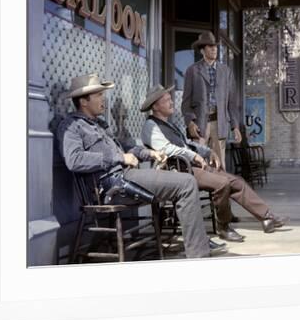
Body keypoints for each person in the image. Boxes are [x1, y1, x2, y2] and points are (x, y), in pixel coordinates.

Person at [56, 73, 227, 259]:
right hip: (111, 187)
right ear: (83, 101)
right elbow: (74, 160)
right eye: (98, 95)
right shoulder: (71, 127)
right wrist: (119, 157)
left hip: (125, 177)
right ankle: (199, 255)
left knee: (186, 181)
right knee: (186, 183)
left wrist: (151, 153)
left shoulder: (100, 125)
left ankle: (198, 245)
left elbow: (128, 147)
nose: (103, 99)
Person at [141, 84, 289, 242]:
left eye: (171, 99)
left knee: (236, 182)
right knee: (222, 184)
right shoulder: (150, 127)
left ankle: (267, 217)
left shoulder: (169, 124)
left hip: (190, 167)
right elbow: (168, 150)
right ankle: (223, 227)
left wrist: (208, 152)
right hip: (176, 172)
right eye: (167, 100)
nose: (171, 102)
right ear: (156, 106)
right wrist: (194, 156)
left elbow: (187, 145)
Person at [181, 31, 242, 171]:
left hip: (220, 122)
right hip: (200, 124)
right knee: (199, 161)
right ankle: (199, 191)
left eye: (215, 46)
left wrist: (235, 127)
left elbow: (232, 103)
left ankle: (221, 191)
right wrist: (190, 122)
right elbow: (186, 102)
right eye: (210, 46)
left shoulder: (226, 71)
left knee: (220, 164)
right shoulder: (193, 71)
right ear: (202, 50)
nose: (214, 49)